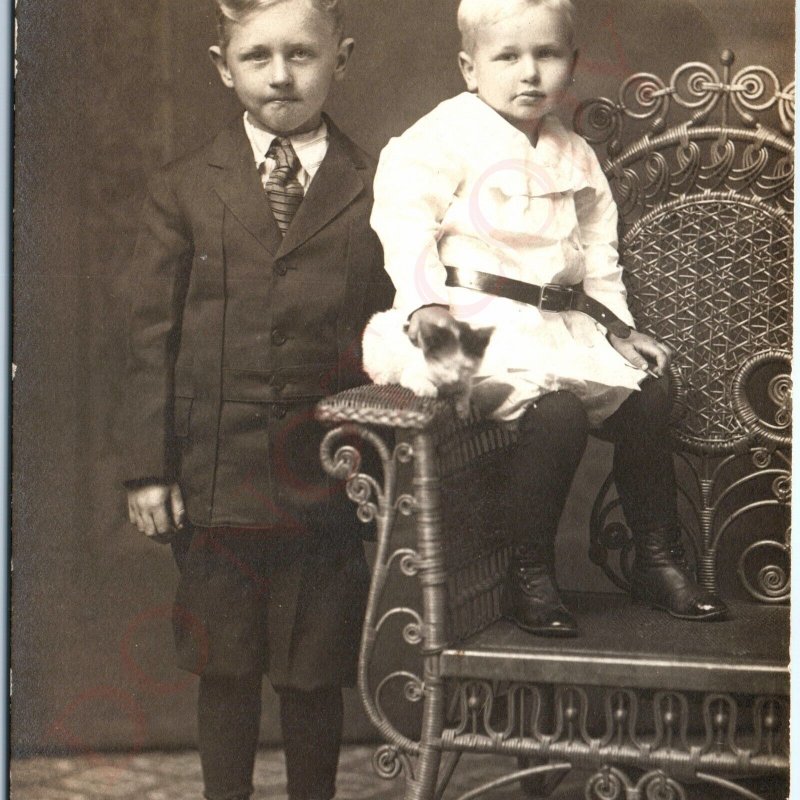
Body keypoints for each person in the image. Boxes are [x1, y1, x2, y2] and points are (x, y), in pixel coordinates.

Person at [370, 0, 727, 637]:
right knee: (556, 413)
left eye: (547, 54)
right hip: (476, 322)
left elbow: (597, 252)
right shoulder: (439, 137)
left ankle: (654, 556)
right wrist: (427, 308)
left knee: (652, 396)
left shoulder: (574, 152)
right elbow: (404, 226)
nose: (528, 73)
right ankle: (528, 570)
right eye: (507, 57)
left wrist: (619, 326)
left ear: (573, 64)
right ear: (469, 67)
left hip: (562, 325)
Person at [122, 1, 391, 798]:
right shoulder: (183, 188)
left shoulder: (380, 183)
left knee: (313, 675)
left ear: (340, 58)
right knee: (226, 667)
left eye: (302, 55)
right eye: (258, 57)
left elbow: (398, 323)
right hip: (215, 477)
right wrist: (147, 470)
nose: (281, 75)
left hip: (325, 476)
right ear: (221, 65)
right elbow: (147, 339)